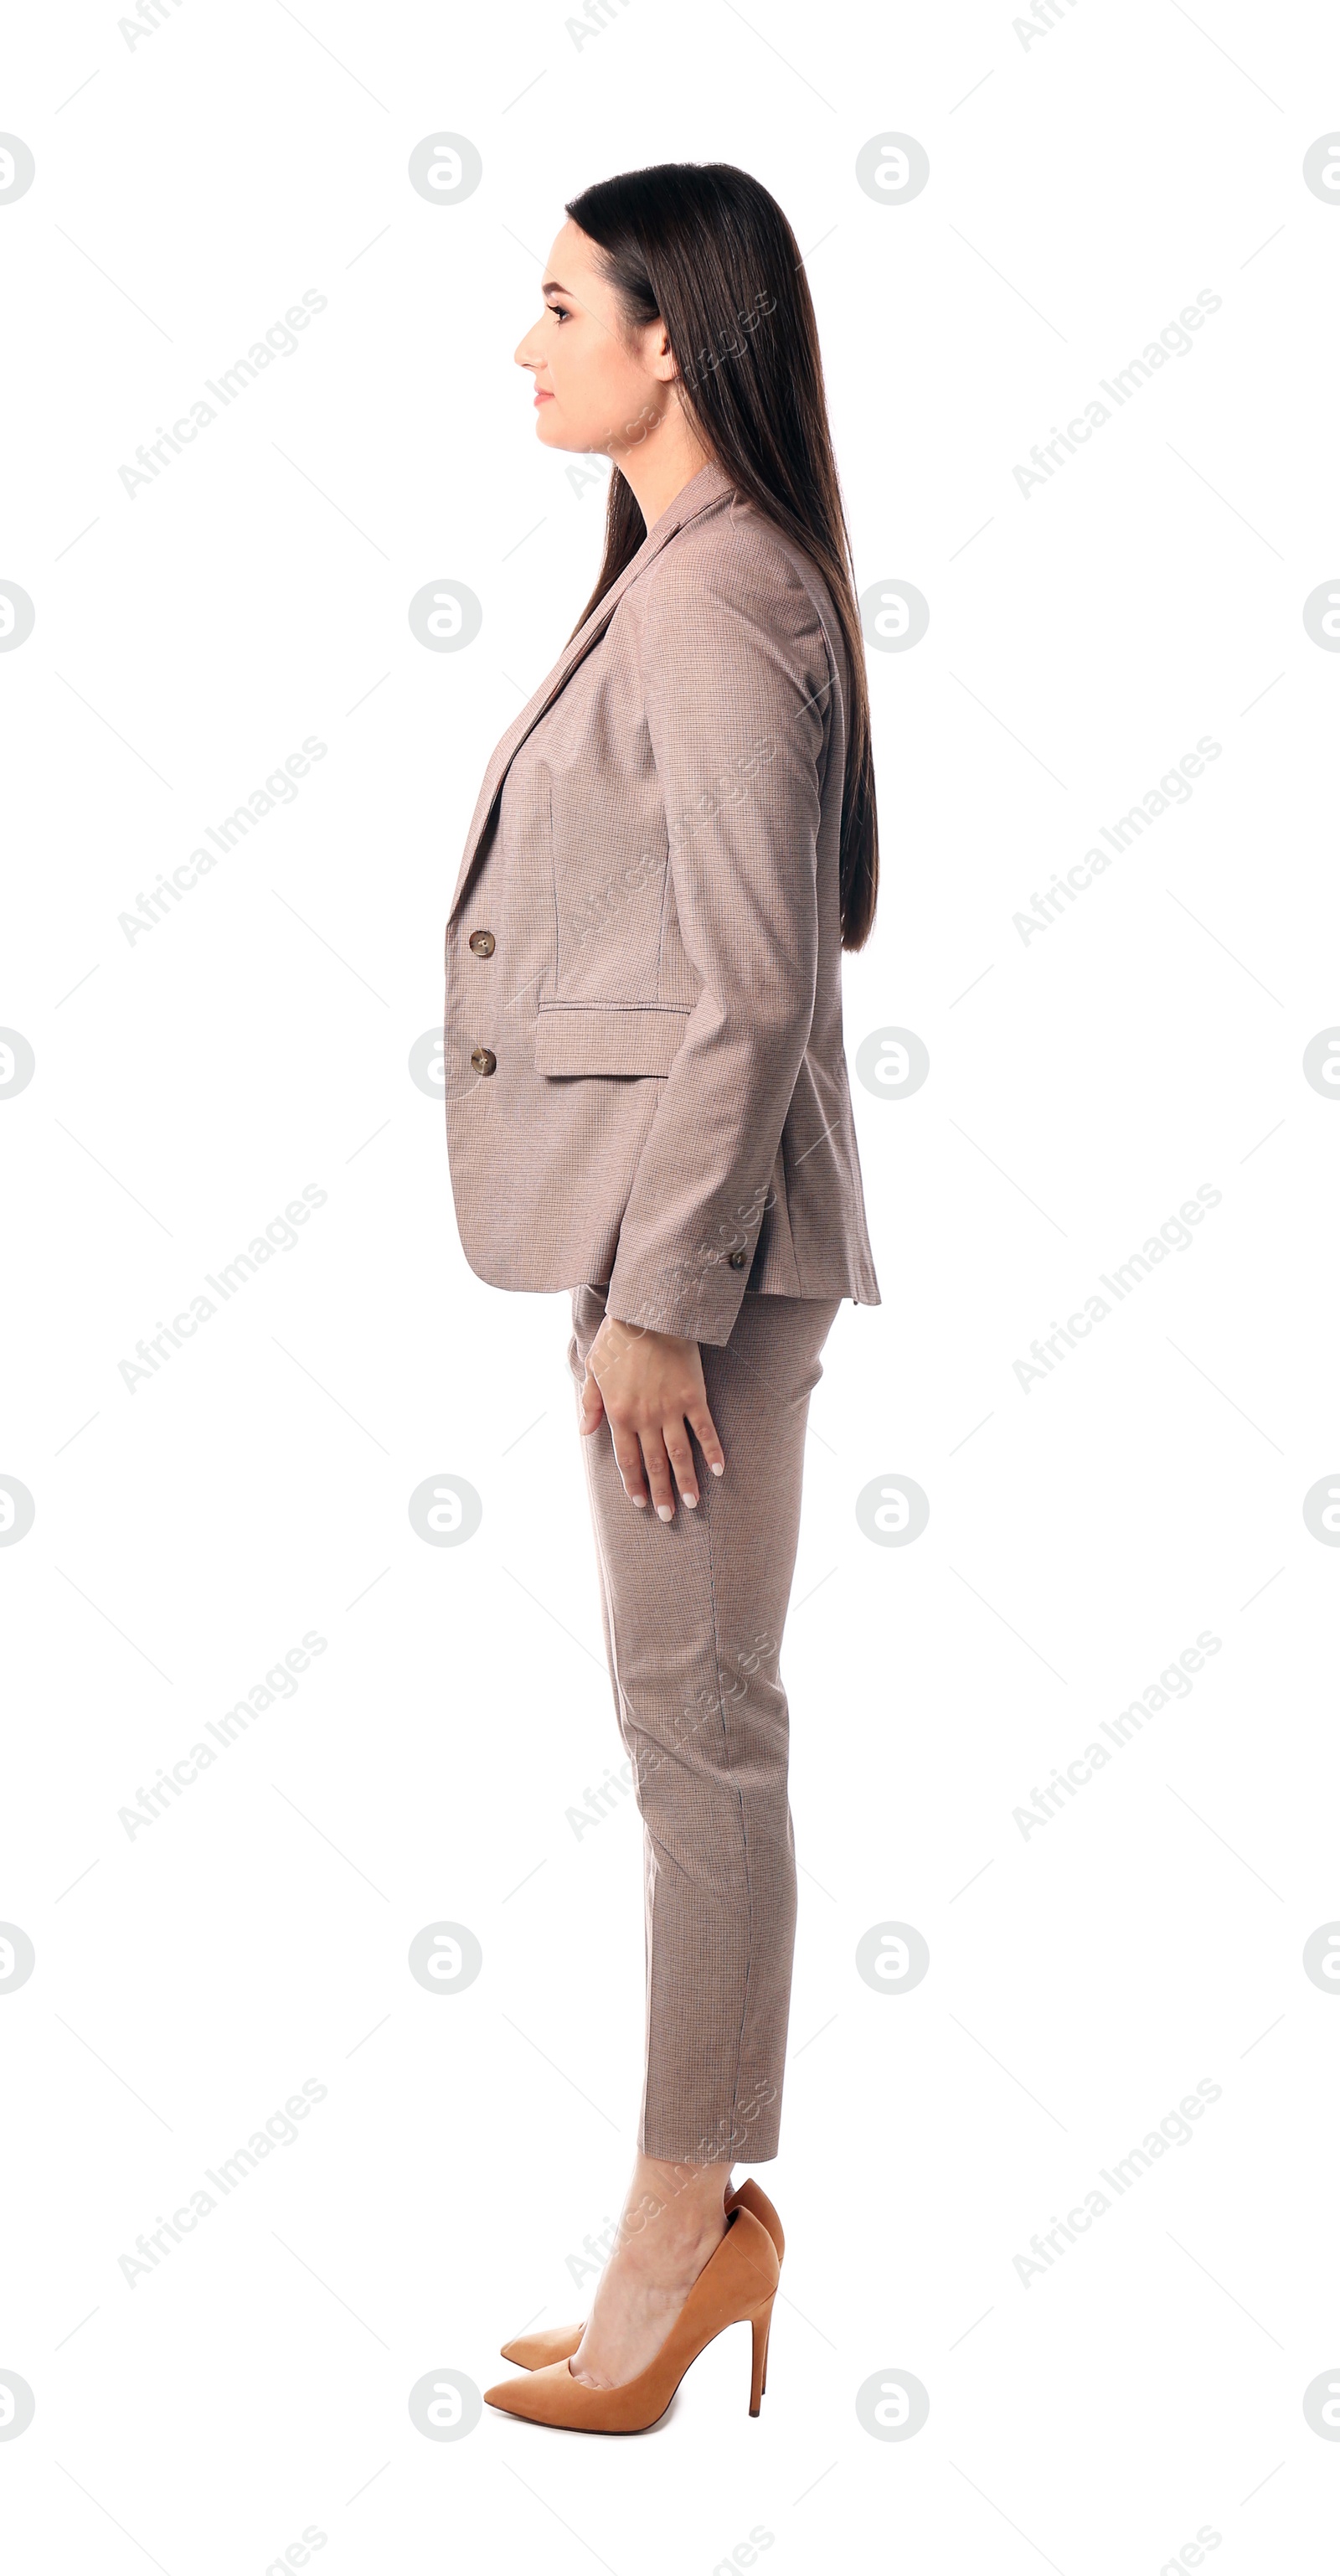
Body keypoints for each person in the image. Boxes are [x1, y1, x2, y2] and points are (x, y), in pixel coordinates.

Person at [442, 160, 880, 2434]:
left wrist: (659, 1296)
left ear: (669, 339)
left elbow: (754, 990)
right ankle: (677, 2215)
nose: (521, 346)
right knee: (679, 1712)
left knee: (696, 1725)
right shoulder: (697, 571)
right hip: (663, 1242)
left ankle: (683, 2223)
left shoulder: (718, 603)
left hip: (693, 1259)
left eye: (551, 307)